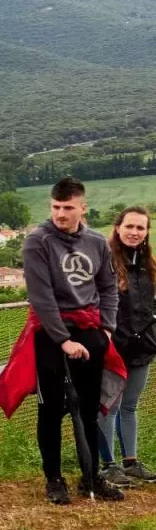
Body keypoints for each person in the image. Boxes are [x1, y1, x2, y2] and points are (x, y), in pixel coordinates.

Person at [0, 177, 124, 505]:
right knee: (51, 408)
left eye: (68, 208)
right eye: (56, 207)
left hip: (90, 328)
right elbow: (41, 297)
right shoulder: (37, 242)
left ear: (83, 207)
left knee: (90, 407)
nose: (61, 214)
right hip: (49, 332)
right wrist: (63, 340)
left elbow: (108, 287)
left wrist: (106, 330)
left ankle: (91, 475)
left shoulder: (97, 242)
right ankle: (54, 479)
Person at [99, 206, 155, 486]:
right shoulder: (105, 261)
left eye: (140, 228)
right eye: (129, 226)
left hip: (142, 347)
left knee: (130, 407)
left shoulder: (149, 266)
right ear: (118, 227)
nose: (134, 232)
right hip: (113, 348)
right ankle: (108, 465)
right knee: (108, 406)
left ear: (146, 233)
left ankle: (130, 463)